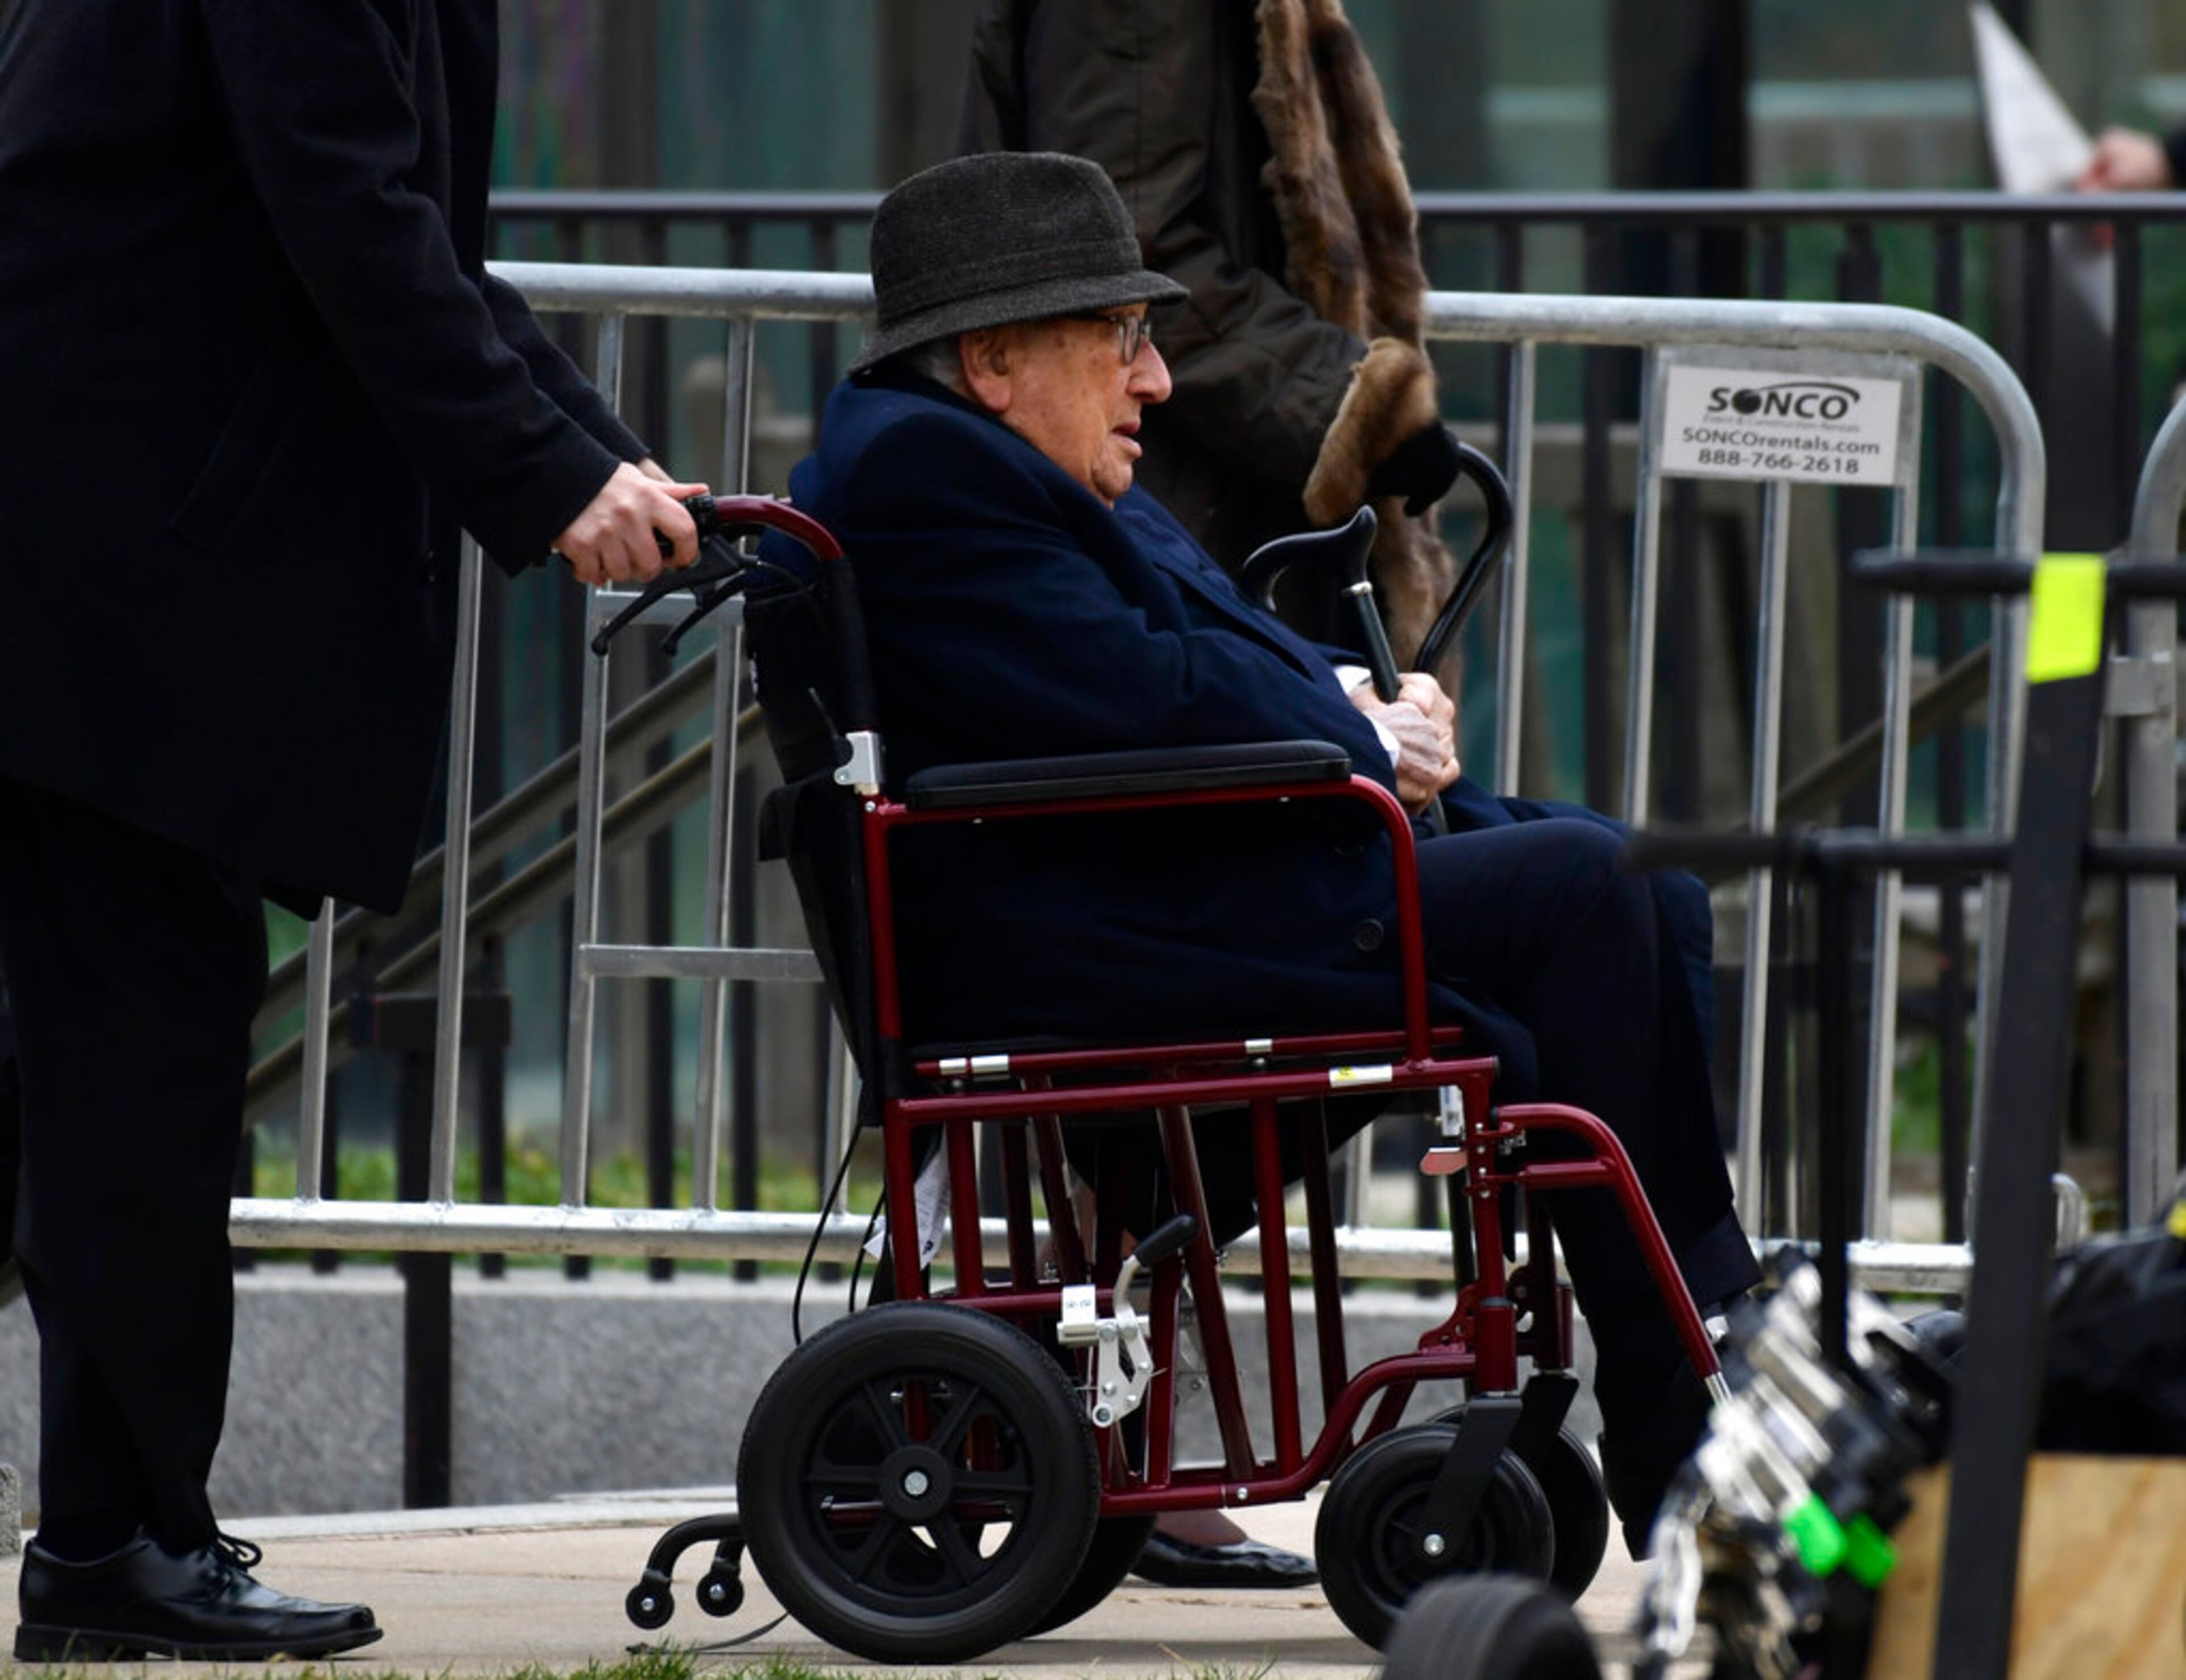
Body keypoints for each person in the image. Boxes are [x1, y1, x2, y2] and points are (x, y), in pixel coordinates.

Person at [759, 151, 1761, 1565]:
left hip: (1179, 873)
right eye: (1121, 341)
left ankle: (1696, 1318)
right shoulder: (928, 476)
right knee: (1588, 891)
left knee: (1634, 876)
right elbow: (1143, 696)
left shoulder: (998, 457)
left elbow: (1214, 643)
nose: (1154, 380)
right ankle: (1684, 1375)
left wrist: (1366, 705)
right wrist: (1355, 734)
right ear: (991, 358)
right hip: (1119, 920)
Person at [0, 1, 702, 1661]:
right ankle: (115, 1540)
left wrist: (596, 456)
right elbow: (345, 203)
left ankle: (119, 1529)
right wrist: (547, 472)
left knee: (88, 1069)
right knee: (135, 1072)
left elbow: (404, 230)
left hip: (101, 559)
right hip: (112, 575)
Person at [959, 0, 1466, 662]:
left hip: (1201, 484)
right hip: (1182, 491)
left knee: (1343, 735)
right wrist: (1354, 412)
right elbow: (1122, 257)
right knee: (1272, 736)